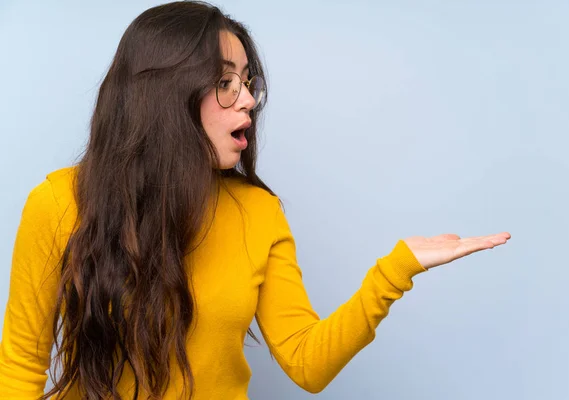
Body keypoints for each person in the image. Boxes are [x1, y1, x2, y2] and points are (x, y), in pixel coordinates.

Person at [0, 1, 511, 399]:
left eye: (247, 82)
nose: (247, 99)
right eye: (224, 82)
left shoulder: (258, 212)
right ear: (163, 95)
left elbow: (306, 363)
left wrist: (395, 271)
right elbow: (21, 364)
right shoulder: (59, 203)